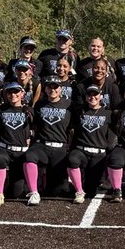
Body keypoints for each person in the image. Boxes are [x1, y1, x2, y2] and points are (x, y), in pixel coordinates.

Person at [23, 76, 76, 205]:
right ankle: (34, 192)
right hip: (42, 146)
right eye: (49, 87)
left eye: (55, 87)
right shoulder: (40, 104)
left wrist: (70, 146)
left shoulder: (69, 105)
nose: (52, 89)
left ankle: (48, 180)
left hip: (60, 148)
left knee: (56, 191)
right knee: (29, 155)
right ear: (45, 89)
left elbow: (73, 128)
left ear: (61, 89)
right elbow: (34, 125)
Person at [67, 85, 115, 202]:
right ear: (86, 97)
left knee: (91, 191)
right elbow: (72, 130)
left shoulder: (108, 113)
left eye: (95, 94)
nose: (92, 97)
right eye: (89, 95)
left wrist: (108, 150)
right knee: (72, 159)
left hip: (98, 155)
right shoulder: (79, 111)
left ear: (100, 97)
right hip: (81, 151)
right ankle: (78, 191)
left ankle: (85, 186)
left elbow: (112, 134)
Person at [0, 81, 32, 207]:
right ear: (5, 94)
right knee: (0, 158)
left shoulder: (28, 110)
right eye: (10, 92)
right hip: (5, 149)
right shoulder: (1, 110)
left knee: (16, 193)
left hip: (21, 151)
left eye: (16, 91)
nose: (13, 94)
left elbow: (36, 128)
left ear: (22, 93)